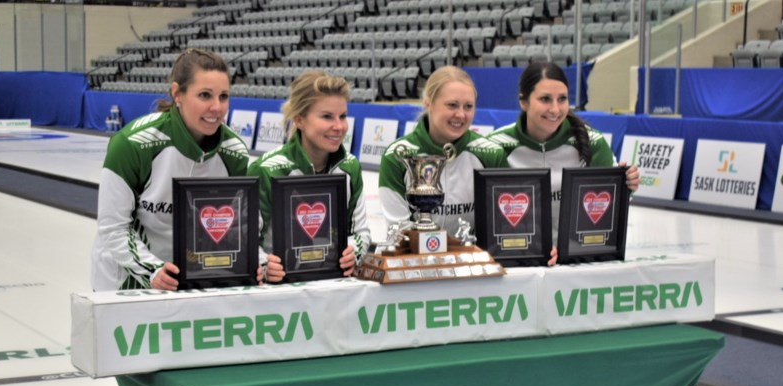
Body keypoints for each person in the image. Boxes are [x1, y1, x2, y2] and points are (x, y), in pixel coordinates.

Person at [90, 48, 255, 386]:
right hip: (132, 287)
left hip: (195, 287)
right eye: (204, 95)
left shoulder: (234, 148)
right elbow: (112, 232)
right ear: (177, 93)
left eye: (223, 96)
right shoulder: (133, 145)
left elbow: (244, 226)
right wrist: (151, 272)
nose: (216, 107)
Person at [488, 61, 640, 265]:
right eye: (545, 99)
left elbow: (606, 212)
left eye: (562, 99)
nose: (555, 109)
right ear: (523, 102)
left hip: (578, 261)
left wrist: (625, 187)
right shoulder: (495, 145)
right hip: (519, 262)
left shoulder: (592, 142)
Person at [248, 70, 370, 279]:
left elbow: (361, 233)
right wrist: (265, 265)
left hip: (334, 284)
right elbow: (247, 241)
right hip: (281, 291)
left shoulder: (350, 167)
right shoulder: (267, 169)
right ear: (300, 120)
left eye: (342, 116)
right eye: (327, 117)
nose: (339, 126)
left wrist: (353, 253)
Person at [378, 65, 506, 238]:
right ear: (428, 103)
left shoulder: (491, 155)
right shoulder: (396, 156)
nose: (461, 115)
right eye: (452, 105)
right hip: (417, 261)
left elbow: (501, 226)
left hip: (472, 261)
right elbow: (399, 232)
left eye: (468, 106)